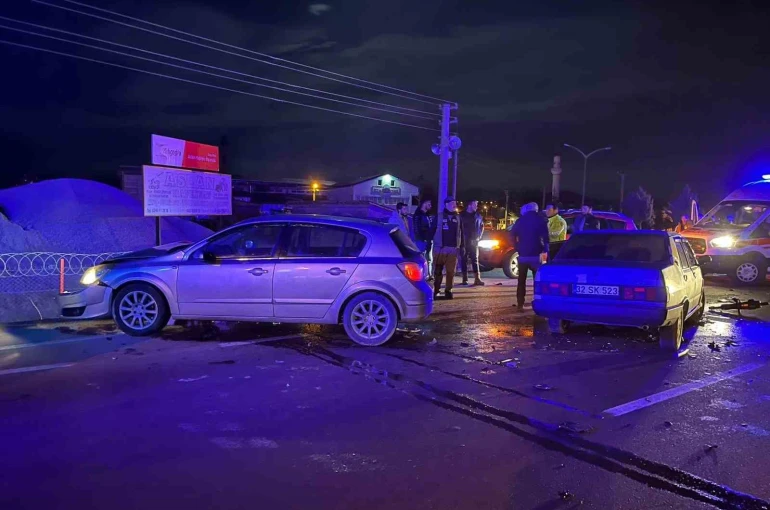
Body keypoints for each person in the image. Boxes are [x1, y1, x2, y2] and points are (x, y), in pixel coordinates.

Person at [510, 202, 549, 310]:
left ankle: (520, 303)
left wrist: (517, 247)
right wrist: (545, 250)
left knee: (521, 281)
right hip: (537, 255)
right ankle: (538, 302)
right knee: (537, 281)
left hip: (523, 255)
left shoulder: (520, 220)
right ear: (536, 209)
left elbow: (512, 235)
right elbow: (546, 238)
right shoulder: (541, 220)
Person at [434, 196, 462, 300]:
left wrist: (461, 246)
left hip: (453, 249)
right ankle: (436, 290)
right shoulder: (439, 216)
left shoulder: (458, 217)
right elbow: (432, 230)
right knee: (438, 271)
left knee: (451, 272)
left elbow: (461, 232)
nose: (454, 205)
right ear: (446, 204)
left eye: (455, 203)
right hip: (440, 248)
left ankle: (448, 290)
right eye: (452, 203)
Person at [459, 200, 485, 286]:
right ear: (469, 205)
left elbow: (482, 226)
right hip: (464, 241)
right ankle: (464, 278)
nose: (476, 206)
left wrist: (479, 236)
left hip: (474, 241)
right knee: (464, 259)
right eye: (475, 204)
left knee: (475, 260)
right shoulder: (461, 215)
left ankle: (477, 279)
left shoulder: (478, 216)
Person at [413, 198, 437, 281]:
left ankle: (429, 275)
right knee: (422, 258)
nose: (430, 206)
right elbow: (416, 229)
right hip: (422, 240)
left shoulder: (426, 215)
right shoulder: (418, 215)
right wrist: (422, 239)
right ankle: (423, 275)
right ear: (424, 204)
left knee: (429, 259)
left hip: (428, 240)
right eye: (429, 204)